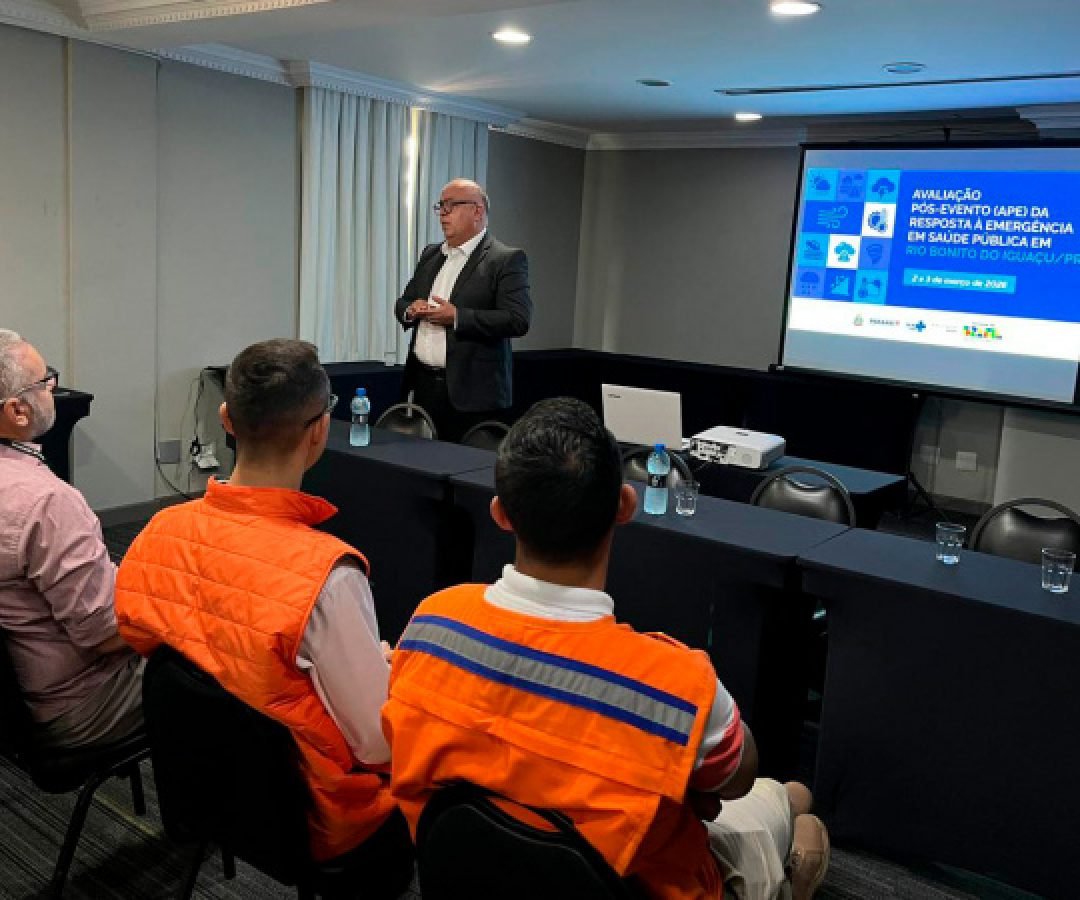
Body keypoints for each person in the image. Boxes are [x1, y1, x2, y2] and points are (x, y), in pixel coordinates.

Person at [383, 397, 829, 899]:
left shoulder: (432, 623)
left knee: (784, 802)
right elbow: (735, 780)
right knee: (786, 797)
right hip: (655, 882)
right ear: (624, 506)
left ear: (500, 514)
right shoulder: (677, 686)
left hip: (472, 879)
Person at [115, 339, 412, 888]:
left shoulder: (160, 531)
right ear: (320, 430)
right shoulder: (329, 577)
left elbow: (144, 639)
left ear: (226, 419)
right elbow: (376, 744)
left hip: (200, 789)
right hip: (313, 820)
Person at [0, 329, 143, 750]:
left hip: (14, 703)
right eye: (44, 382)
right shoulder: (46, 502)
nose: (53, 388)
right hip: (77, 705)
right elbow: (106, 635)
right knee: (226, 670)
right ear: (18, 411)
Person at [394, 178, 532, 442]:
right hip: (423, 386)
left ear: (477, 210)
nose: (443, 214)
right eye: (440, 207)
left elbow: (518, 319)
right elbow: (404, 301)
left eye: (451, 206)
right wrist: (411, 310)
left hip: (473, 395)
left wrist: (457, 317)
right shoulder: (431, 255)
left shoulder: (505, 260)